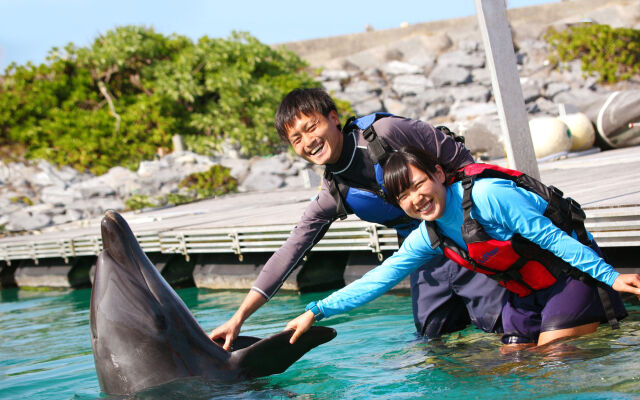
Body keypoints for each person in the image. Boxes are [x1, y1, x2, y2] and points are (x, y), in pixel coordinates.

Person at [210, 88, 508, 350]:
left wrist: (493, 231)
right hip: (421, 252)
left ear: (333, 117)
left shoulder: (387, 132)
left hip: (467, 236)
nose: (308, 141)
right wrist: (238, 319)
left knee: (504, 328)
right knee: (434, 341)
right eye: (296, 139)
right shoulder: (334, 193)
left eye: (311, 126)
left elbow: (466, 165)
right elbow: (289, 253)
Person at [285, 146, 639, 349]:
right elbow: (380, 277)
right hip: (526, 296)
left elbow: (551, 237)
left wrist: (611, 277)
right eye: (403, 196)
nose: (416, 199)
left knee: (552, 357)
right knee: (513, 368)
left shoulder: (487, 196)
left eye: (418, 183)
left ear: (438, 173)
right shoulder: (430, 234)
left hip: (570, 279)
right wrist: (316, 311)